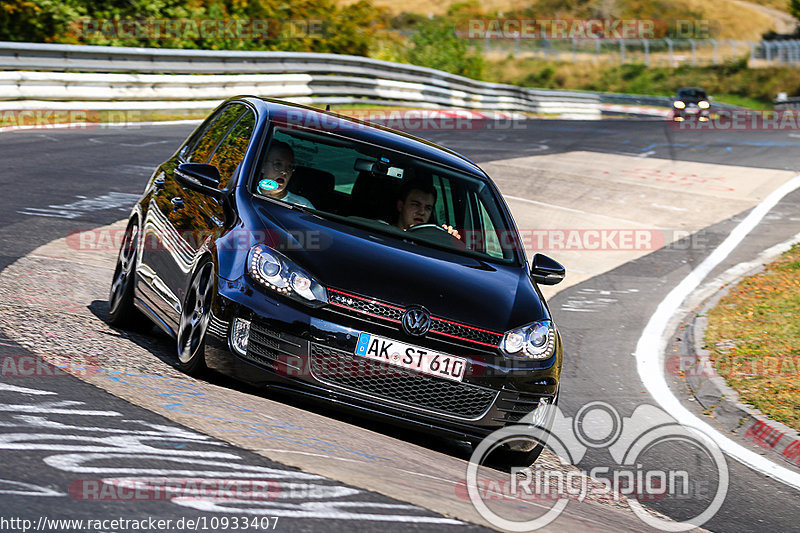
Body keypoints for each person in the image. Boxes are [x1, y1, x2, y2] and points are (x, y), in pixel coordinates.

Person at [394, 179, 460, 239]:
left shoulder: (433, 240)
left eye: (428, 208)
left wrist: (449, 239)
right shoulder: (386, 235)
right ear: (400, 206)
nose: (422, 212)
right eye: (416, 205)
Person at [257, 140, 314, 208]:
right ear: (263, 167)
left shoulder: (303, 205)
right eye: (278, 164)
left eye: (289, 167)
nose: (284, 171)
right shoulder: (246, 194)